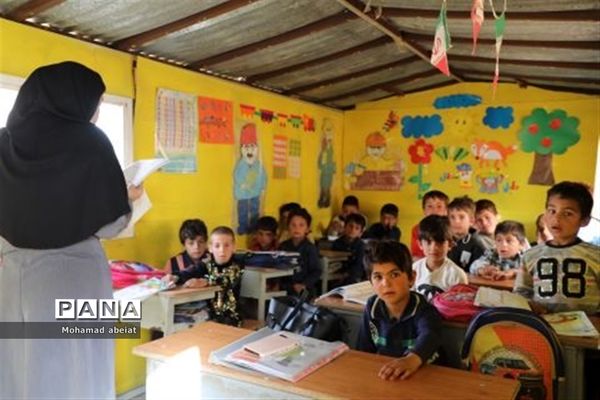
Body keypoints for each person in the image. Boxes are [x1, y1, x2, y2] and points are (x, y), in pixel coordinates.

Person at [0, 61, 141, 399]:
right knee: (82, 369)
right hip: (77, 276)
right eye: (96, 104)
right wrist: (129, 197)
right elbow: (112, 224)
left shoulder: (2, 143)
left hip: (11, 277)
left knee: (18, 366)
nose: (96, 114)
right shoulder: (91, 142)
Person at [356, 241, 442, 380]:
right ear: (371, 282)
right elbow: (364, 349)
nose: (386, 283)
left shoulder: (423, 309)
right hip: (387, 375)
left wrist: (411, 360)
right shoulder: (372, 307)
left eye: (394, 274)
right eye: (378, 277)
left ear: (411, 278)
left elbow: (430, 335)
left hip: (423, 375)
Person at [514, 182, 599, 314]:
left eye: (568, 213)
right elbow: (521, 292)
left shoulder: (596, 255)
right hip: (542, 322)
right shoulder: (530, 255)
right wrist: (529, 305)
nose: (556, 218)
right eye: (552, 211)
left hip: (589, 324)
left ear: (584, 220)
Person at [164, 226, 245, 326]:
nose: (222, 250)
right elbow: (191, 271)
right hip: (209, 315)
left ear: (233, 247)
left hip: (231, 316)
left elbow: (226, 279)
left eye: (227, 245)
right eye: (217, 246)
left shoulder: (237, 264)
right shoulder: (207, 263)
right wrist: (176, 276)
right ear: (210, 248)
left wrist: (206, 282)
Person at [412, 215, 468, 301]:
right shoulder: (414, 268)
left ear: (450, 244)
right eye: (428, 242)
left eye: (440, 242)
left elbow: (460, 305)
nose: (434, 248)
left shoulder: (457, 275)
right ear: (420, 244)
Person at [278, 208, 322, 296]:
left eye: (301, 225)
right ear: (288, 227)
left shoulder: (310, 248)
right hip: (286, 288)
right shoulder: (283, 246)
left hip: (304, 289)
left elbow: (316, 271)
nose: (297, 228)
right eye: (293, 225)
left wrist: (304, 284)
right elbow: (278, 268)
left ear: (307, 229)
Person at [233, 123, 267, 235]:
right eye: (247, 147)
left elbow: (263, 175)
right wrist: (242, 184)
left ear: (256, 148)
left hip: (255, 192)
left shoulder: (258, 164)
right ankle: (242, 226)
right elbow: (237, 175)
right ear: (242, 149)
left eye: (252, 147)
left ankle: (253, 226)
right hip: (243, 193)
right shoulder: (241, 164)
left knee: (254, 209)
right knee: (242, 209)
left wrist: (263, 186)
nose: (250, 151)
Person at [447, 196, 487, 272]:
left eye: (461, 217)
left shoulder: (477, 244)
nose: (456, 221)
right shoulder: (443, 241)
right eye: (452, 217)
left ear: (471, 221)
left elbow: (478, 271)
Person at [410, 190, 449, 259]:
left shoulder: (451, 229)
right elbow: (416, 256)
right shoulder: (417, 229)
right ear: (424, 210)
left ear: (446, 211)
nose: (434, 210)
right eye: (430, 206)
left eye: (439, 206)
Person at [331, 213, 367, 284]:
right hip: (338, 273)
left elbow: (358, 265)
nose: (352, 230)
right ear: (344, 227)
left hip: (355, 276)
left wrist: (346, 274)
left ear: (360, 233)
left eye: (357, 228)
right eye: (350, 226)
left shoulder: (361, 246)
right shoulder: (337, 243)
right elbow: (334, 261)